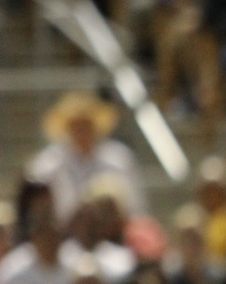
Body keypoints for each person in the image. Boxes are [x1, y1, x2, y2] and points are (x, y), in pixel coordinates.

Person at [26, 92, 143, 222]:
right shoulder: (48, 163)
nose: (81, 132)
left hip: (110, 232)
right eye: (76, 126)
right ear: (67, 129)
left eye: (86, 125)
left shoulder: (118, 159)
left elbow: (134, 205)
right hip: (63, 234)